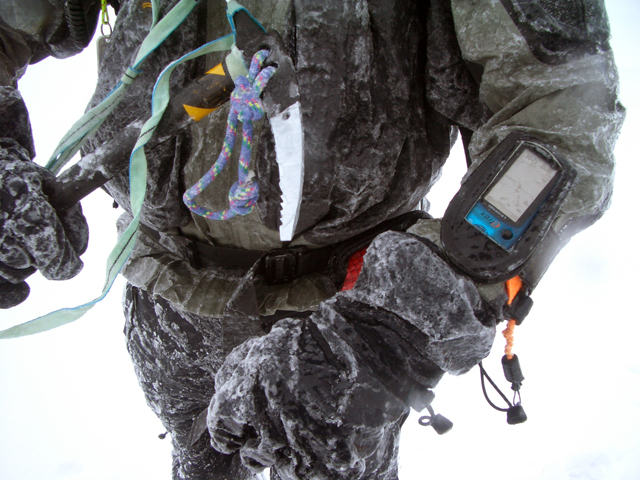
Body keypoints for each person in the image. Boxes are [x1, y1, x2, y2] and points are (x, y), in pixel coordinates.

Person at [0, 0, 624, 479]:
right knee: (199, 457)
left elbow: (561, 111)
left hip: (350, 304)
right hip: (167, 288)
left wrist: (395, 329)